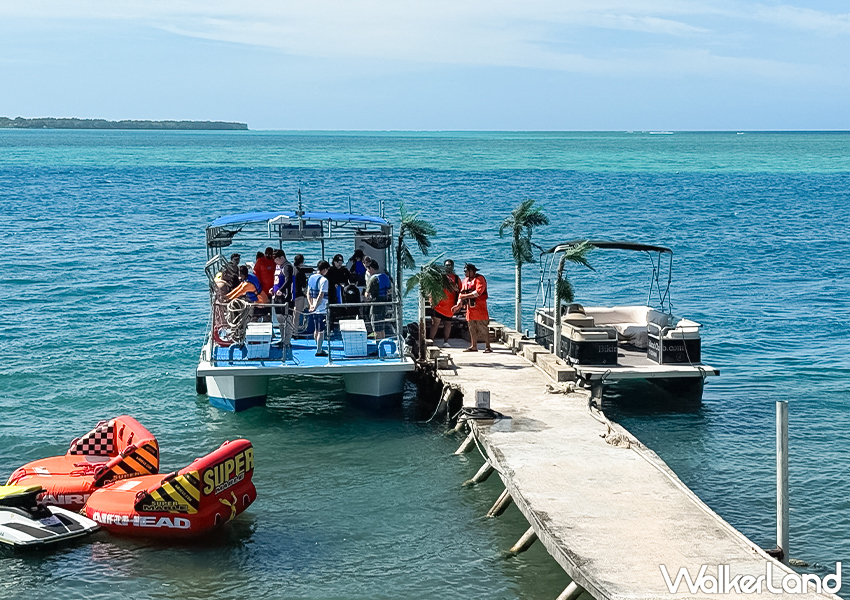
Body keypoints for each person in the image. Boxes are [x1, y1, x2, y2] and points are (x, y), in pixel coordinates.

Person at [453, 263, 491, 353]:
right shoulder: (465, 280)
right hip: (470, 309)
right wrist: (458, 305)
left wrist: (465, 296)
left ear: (471, 271)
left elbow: (478, 292)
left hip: (480, 308)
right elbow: (461, 294)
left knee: (483, 328)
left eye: (466, 271)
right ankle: (474, 346)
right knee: (471, 328)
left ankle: (488, 347)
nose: (464, 273)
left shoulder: (480, 279)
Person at [429, 259, 461, 347]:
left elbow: (461, 291)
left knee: (448, 324)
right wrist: (432, 301)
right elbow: (432, 290)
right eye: (446, 265)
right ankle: (431, 341)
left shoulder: (456, 278)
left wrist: (456, 290)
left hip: (450, 307)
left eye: (450, 265)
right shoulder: (439, 277)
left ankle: (446, 341)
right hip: (438, 305)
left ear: (453, 266)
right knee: (435, 324)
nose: (448, 267)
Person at [307, 260, 331, 356]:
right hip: (321, 308)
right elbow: (321, 295)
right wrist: (316, 306)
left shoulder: (311, 278)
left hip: (313, 306)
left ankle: (317, 346)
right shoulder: (324, 280)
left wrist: (311, 305)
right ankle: (319, 349)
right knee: (321, 330)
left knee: (316, 329)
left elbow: (308, 293)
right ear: (324, 269)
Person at [271, 250, 294, 349]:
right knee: (280, 319)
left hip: (285, 297)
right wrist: (274, 288)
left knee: (287, 320)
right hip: (277, 297)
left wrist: (281, 290)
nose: (275, 262)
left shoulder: (287, 267)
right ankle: (282, 338)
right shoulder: (278, 267)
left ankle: (287, 341)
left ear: (281, 258)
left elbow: (288, 280)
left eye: (276, 259)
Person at [364, 258, 392, 337]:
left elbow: (367, 294)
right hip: (384, 303)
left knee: (375, 326)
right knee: (381, 325)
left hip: (375, 304)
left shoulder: (373, 279)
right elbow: (389, 290)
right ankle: (383, 340)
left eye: (368, 269)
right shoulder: (385, 277)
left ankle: (378, 343)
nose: (368, 271)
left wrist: (366, 298)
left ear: (371, 269)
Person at [292, 254, 308, 334]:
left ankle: (291, 331)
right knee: (297, 314)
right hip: (299, 294)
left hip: (291, 294)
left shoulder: (291, 269)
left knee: (292, 314)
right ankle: (295, 331)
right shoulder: (300, 272)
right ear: (301, 262)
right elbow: (304, 286)